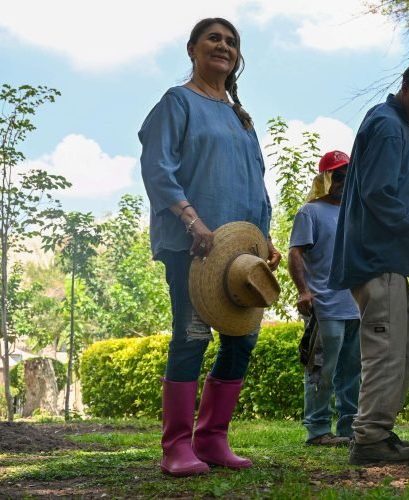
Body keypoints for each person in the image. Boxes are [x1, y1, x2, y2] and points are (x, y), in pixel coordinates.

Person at [140, 18, 280, 476]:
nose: (224, 46)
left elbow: (255, 183)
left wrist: (266, 240)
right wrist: (191, 220)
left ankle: (213, 438)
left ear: (238, 56)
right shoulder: (176, 102)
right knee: (192, 335)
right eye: (214, 38)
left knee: (242, 340)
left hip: (242, 253)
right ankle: (176, 446)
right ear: (192, 49)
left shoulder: (241, 118)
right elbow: (158, 168)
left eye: (231, 41)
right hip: (194, 244)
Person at [329, 60, 409, 466]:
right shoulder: (385, 125)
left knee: (397, 351)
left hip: (387, 259)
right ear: (407, 89)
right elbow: (379, 195)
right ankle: (367, 439)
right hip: (377, 257)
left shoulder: (395, 128)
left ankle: (378, 431)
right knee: (385, 351)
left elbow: (386, 178)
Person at [289, 151, 361, 447]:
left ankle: (349, 428)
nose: (343, 181)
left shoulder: (354, 212)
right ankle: (318, 430)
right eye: (337, 176)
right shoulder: (310, 212)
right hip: (325, 306)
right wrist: (303, 291)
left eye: (347, 175)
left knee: (352, 371)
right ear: (324, 179)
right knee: (322, 369)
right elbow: (296, 253)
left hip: (355, 306)